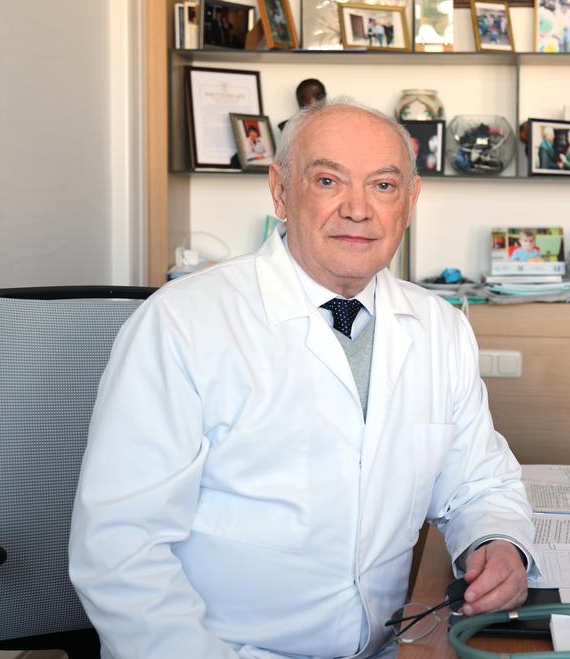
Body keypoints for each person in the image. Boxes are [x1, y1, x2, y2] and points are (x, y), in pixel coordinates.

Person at [68, 98, 537, 659]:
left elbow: (478, 482)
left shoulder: (441, 328)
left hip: (383, 648)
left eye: (383, 186)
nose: (358, 210)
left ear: (410, 201)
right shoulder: (181, 322)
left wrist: (496, 541)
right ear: (280, 190)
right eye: (328, 181)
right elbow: (121, 547)